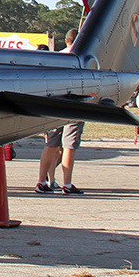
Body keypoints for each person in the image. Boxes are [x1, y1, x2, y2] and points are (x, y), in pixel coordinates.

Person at [36, 28, 85, 194]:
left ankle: (41, 181)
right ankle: (67, 184)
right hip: (74, 105)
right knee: (69, 146)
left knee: (51, 144)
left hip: (54, 103)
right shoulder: (81, 59)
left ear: (66, 41)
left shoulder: (56, 57)